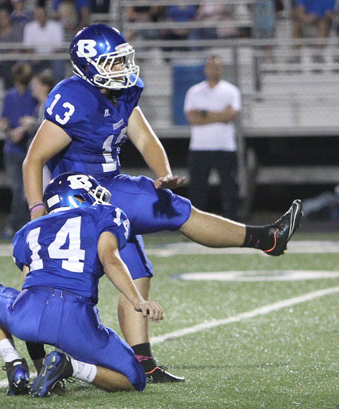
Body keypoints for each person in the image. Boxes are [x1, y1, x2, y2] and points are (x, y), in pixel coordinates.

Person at [22, 24, 302, 383]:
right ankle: (266, 238)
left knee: (137, 270)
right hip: (84, 192)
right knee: (173, 209)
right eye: (112, 62)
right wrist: (36, 212)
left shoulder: (122, 93)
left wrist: (164, 172)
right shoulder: (74, 97)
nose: (122, 67)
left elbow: (144, 136)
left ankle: (142, 362)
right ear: (88, 66)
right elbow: (34, 160)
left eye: (123, 59)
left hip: (107, 190)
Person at [0, 172, 163, 397]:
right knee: (134, 379)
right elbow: (110, 259)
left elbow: (26, 286)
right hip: (76, 318)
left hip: (29, 312)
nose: (99, 199)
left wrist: (37, 362)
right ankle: (71, 367)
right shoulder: (104, 214)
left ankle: (14, 363)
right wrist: (138, 301)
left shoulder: (29, 229)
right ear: (78, 197)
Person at [184, 55, 241, 221]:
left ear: (221, 69)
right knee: (197, 189)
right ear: (205, 69)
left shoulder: (231, 90)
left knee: (229, 189)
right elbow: (192, 118)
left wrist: (205, 113)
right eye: (210, 67)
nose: (213, 70)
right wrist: (219, 114)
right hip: (200, 147)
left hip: (225, 147)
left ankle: (232, 224)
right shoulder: (194, 91)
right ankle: (195, 225)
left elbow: (231, 115)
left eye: (216, 67)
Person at [0, 62, 38, 239]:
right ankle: (14, 225)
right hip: (13, 149)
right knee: (18, 189)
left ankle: (20, 225)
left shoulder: (33, 96)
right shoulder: (9, 96)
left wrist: (21, 130)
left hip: (29, 149)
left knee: (26, 190)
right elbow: (3, 120)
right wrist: (9, 131)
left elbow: (35, 120)